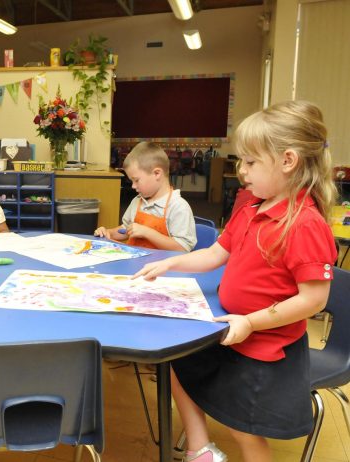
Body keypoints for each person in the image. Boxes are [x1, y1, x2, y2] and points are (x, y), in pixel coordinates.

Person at [133, 100, 338, 462]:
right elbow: (215, 255)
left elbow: (314, 301)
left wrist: (251, 321)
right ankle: (200, 451)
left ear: (288, 161)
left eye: (251, 162)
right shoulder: (251, 208)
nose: (242, 171)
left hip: (265, 345)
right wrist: (171, 263)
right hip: (229, 329)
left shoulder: (305, 223)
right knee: (177, 364)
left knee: (243, 428)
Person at [94, 141, 196, 251]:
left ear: (157, 173)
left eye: (136, 180)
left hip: (161, 266)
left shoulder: (178, 207)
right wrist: (108, 233)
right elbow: (126, 229)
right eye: (132, 181)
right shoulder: (137, 201)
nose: (133, 186)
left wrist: (148, 233)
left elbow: (182, 248)